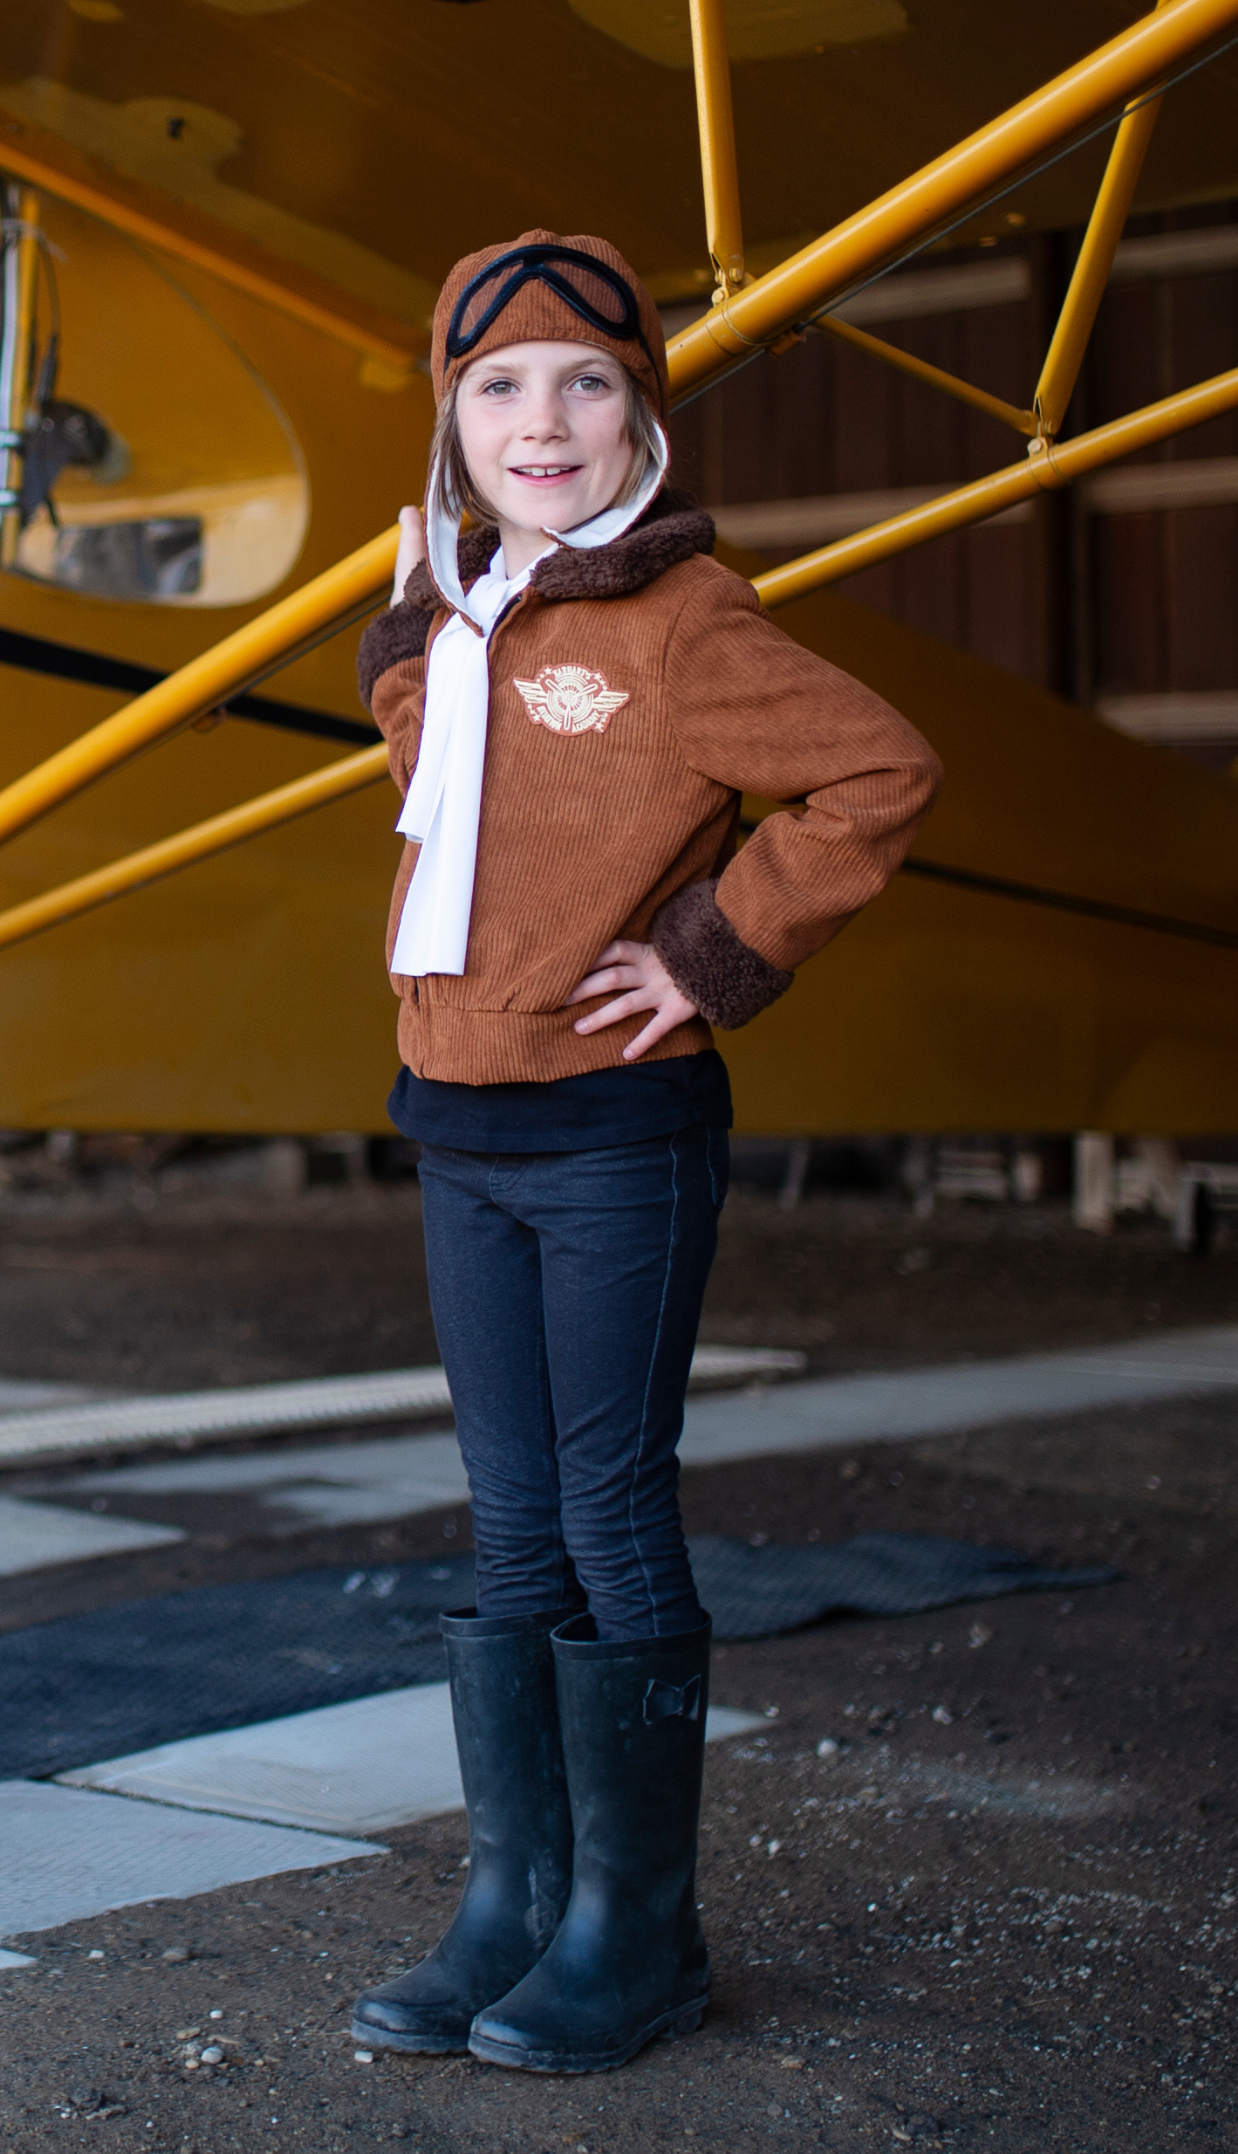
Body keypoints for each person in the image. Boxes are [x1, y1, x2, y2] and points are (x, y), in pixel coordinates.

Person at [349, 230, 941, 2075]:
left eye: (587, 382)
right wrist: (408, 642)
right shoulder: (460, 613)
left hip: (612, 1134)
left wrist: (709, 951)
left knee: (608, 1510)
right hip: (460, 1117)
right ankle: (514, 1902)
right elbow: (449, 804)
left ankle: (640, 1932)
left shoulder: (683, 620)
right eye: (500, 387)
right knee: (510, 1514)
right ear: (453, 423)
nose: (544, 420)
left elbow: (880, 770)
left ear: (642, 421)